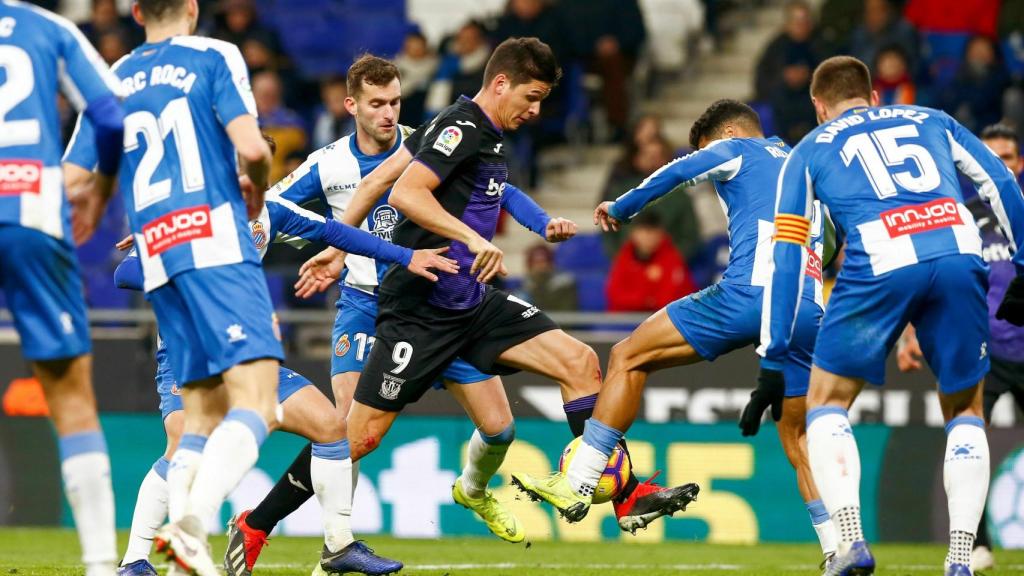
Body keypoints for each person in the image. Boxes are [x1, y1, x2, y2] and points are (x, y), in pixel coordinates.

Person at [306, 37, 698, 536]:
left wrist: (539, 221)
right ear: (500, 83)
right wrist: (345, 247)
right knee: (354, 438)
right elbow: (402, 190)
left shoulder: (483, 134)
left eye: (542, 101)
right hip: (419, 307)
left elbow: (383, 181)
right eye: (531, 97)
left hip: (468, 302)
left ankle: (616, 492)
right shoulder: (457, 126)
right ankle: (261, 524)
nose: (535, 111)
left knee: (574, 366)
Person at [222, 54, 571, 575]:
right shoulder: (328, 163)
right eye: (377, 104)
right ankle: (327, 547)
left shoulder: (430, 137)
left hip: (442, 299)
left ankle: (471, 491)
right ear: (352, 106)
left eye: (396, 102)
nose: (388, 114)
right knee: (348, 433)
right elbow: (265, 208)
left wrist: (541, 222)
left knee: (500, 428)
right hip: (367, 307)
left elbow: (501, 188)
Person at [62, 125, 451, 574]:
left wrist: (405, 256)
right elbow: (125, 274)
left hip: (247, 354)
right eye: (245, 172)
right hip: (192, 356)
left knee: (330, 427)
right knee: (182, 446)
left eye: (259, 173)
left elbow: (339, 233)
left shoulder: (271, 210)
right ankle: (134, 562)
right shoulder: (188, 215)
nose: (252, 183)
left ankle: (338, 546)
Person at [513, 100, 838, 565]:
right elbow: (831, 244)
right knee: (800, 438)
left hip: (748, 295)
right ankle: (837, 549)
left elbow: (680, 172)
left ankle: (580, 481)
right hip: (806, 307)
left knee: (628, 354)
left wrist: (622, 206)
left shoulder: (738, 148)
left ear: (725, 134)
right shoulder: (806, 167)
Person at [759, 56, 1024, 576]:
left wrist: (775, 346)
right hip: (956, 247)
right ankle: (961, 559)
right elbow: (1000, 183)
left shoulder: (809, 149)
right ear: (874, 95)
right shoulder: (932, 118)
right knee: (966, 411)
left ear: (819, 106)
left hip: (879, 258)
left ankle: (851, 543)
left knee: (827, 402)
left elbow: (789, 250)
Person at [82, 0, 281, 573]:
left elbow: (84, 174)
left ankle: (170, 554)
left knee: (201, 414)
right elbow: (251, 148)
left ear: (137, 12)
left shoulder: (113, 76)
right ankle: (191, 524)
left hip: (159, 255)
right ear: (193, 8)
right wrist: (258, 188)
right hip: (215, 244)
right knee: (258, 402)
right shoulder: (216, 54)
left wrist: (96, 204)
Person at [0, 2, 125, 575]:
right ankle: (100, 565)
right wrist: (100, 191)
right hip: (31, 211)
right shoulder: (48, 28)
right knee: (71, 395)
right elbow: (110, 115)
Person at [897, 123, 1024, 573]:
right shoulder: (958, 218)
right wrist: (911, 333)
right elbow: (932, 277)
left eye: (1005, 158)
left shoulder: (1022, 215)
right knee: (969, 441)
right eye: (988, 157)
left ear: (1019, 163)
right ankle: (975, 545)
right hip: (982, 350)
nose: (997, 165)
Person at [605, 211, 697, 312]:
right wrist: (645, 300)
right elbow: (615, 294)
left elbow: (672, 300)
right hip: (626, 320)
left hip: (663, 320)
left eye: (652, 231)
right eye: (643, 230)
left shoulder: (672, 259)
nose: (648, 236)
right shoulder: (624, 257)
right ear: (633, 233)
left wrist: (645, 301)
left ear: (661, 233)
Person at [518, 244, 578, 312]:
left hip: (561, 319)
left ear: (551, 263)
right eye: (535, 262)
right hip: (538, 320)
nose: (540, 266)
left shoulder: (564, 283)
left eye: (543, 261)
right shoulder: (528, 284)